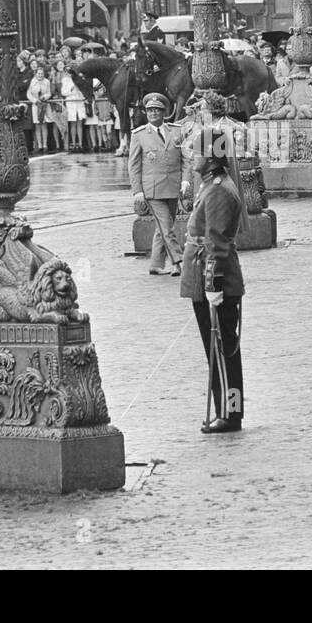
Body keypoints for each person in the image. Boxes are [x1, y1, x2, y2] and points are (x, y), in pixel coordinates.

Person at [179, 127, 250, 434]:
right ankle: (226, 411)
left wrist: (212, 285)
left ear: (210, 158)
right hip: (206, 276)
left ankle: (230, 414)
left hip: (216, 281)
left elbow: (216, 243)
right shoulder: (212, 184)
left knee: (222, 354)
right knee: (218, 352)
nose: (192, 156)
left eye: (197, 151)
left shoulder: (218, 189)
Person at [129, 93, 188, 276]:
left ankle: (155, 264)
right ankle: (178, 262)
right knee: (166, 227)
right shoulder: (139, 135)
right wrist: (137, 191)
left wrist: (186, 179)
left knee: (162, 228)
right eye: (150, 111)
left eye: (157, 110)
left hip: (173, 186)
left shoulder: (176, 131)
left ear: (164, 113)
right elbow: (133, 165)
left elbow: (185, 159)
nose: (153, 113)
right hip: (152, 190)